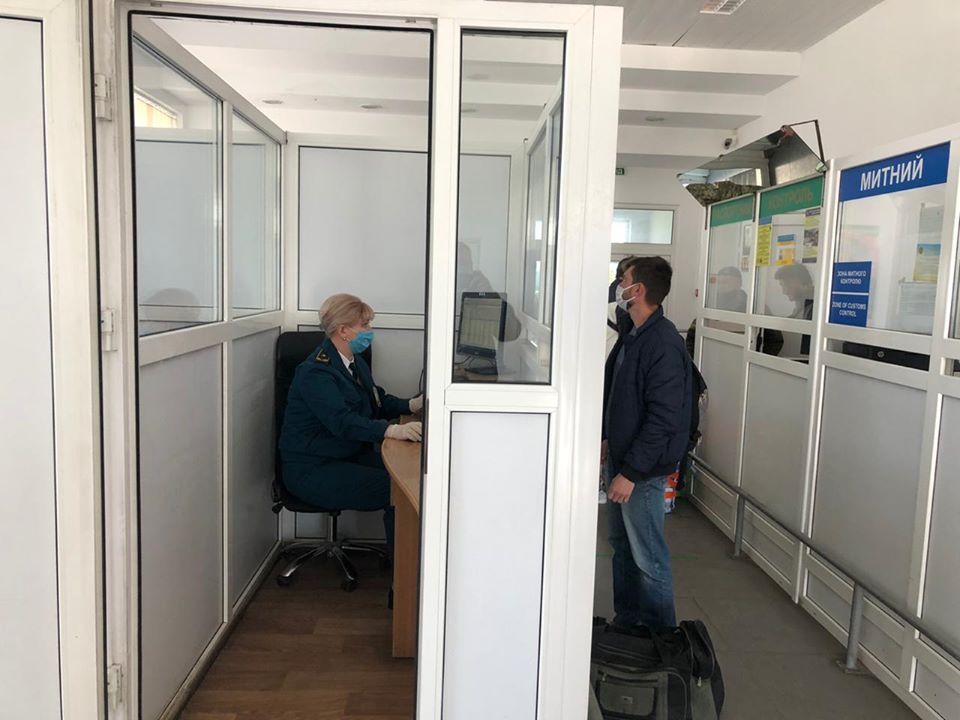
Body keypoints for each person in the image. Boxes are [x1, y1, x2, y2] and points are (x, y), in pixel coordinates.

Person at [279, 293, 423, 553]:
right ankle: (403, 573)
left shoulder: (352, 362)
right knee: (398, 489)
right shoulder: (316, 372)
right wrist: (391, 430)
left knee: (408, 475)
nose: (370, 331)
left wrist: (411, 405)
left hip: (344, 455)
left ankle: (410, 564)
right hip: (312, 468)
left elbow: (376, 399)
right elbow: (342, 422)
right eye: (365, 325)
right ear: (343, 330)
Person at [602, 256, 692, 630]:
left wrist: (631, 473)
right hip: (622, 459)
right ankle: (628, 625)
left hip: (641, 471)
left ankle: (661, 639)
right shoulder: (633, 333)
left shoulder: (663, 343)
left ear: (637, 290)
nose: (618, 286)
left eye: (622, 279)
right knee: (622, 547)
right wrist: (607, 439)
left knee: (648, 556)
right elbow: (619, 395)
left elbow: (663, 420)